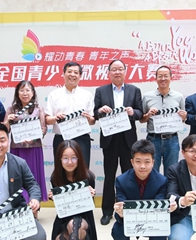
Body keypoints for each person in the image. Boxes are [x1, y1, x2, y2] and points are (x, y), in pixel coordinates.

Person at [93, 59, 143, 226]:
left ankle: (128, 210)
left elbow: (140, 112)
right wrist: (100, 110)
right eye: (114, 69)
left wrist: (133, 112)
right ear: (109, 73)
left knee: (129, 176)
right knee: (109, 176)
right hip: (110, 139)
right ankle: (107, 212)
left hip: (128, 140)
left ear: (125, 71)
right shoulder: (101, 90)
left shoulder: (134, 90)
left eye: (120, 69)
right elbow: (94, 113)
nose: (117, 72)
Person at [111, 139, 176, 240]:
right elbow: (121, 202)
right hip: (128, 220)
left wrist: (167, 209)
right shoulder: (121, 180)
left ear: (153, 162)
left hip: (152, 220)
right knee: (117, 233)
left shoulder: (162, 181)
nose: (142, 166)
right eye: (138, 161)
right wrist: (120, 212)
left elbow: (159, 206)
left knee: (162, 231)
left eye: (147, 162)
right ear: (132, 162)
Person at [49, 140, 98, 240]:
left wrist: (90, 195)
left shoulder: (88, 177)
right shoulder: (55, 178)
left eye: (73, 158)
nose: (70, 162)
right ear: (59, 159)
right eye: (65, 158)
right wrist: (54, 198)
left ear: (79, 158)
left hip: (84, 218)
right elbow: (61, 208)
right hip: (64, 219)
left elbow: (89, 207)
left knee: (74, 224)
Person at [4, 80, 48, 202]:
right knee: (17, 177)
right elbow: (5, 130)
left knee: (33, 177)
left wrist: (33, 138)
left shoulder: (38, 109)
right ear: (17, 93)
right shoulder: (11, 109)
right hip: (17, 150)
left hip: (34, 149)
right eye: (22, 90)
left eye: (28, 90)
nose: (25, 93)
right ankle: (20, 203)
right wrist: (7, 121)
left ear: (33, 93)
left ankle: (34, 204)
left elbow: (43, 129)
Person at [45, 61, 95, 168]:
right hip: (61, 138)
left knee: (83, 170)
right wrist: (55, 118)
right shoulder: (54, 95)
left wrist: (88, 118)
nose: (72, 75)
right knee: (61, 170)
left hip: (81, 138)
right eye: (69, 71)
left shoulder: (87, 95)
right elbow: (47, 120)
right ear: (63, 74)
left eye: (76, 72)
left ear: (80, 76)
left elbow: (92, 121)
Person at [140, 66, 187, 174]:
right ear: (156, 78)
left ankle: (170, 187)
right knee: (152, 171)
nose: (163, 79)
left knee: (171, 172)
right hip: (153, 139)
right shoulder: (147, 96)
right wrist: (148, 114)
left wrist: (184, 116)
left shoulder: (178, 96)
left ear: (171, 77)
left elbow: (183, 119)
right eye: (160, 76)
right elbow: (142, 119)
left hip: (172, 140)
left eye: (166, 76)